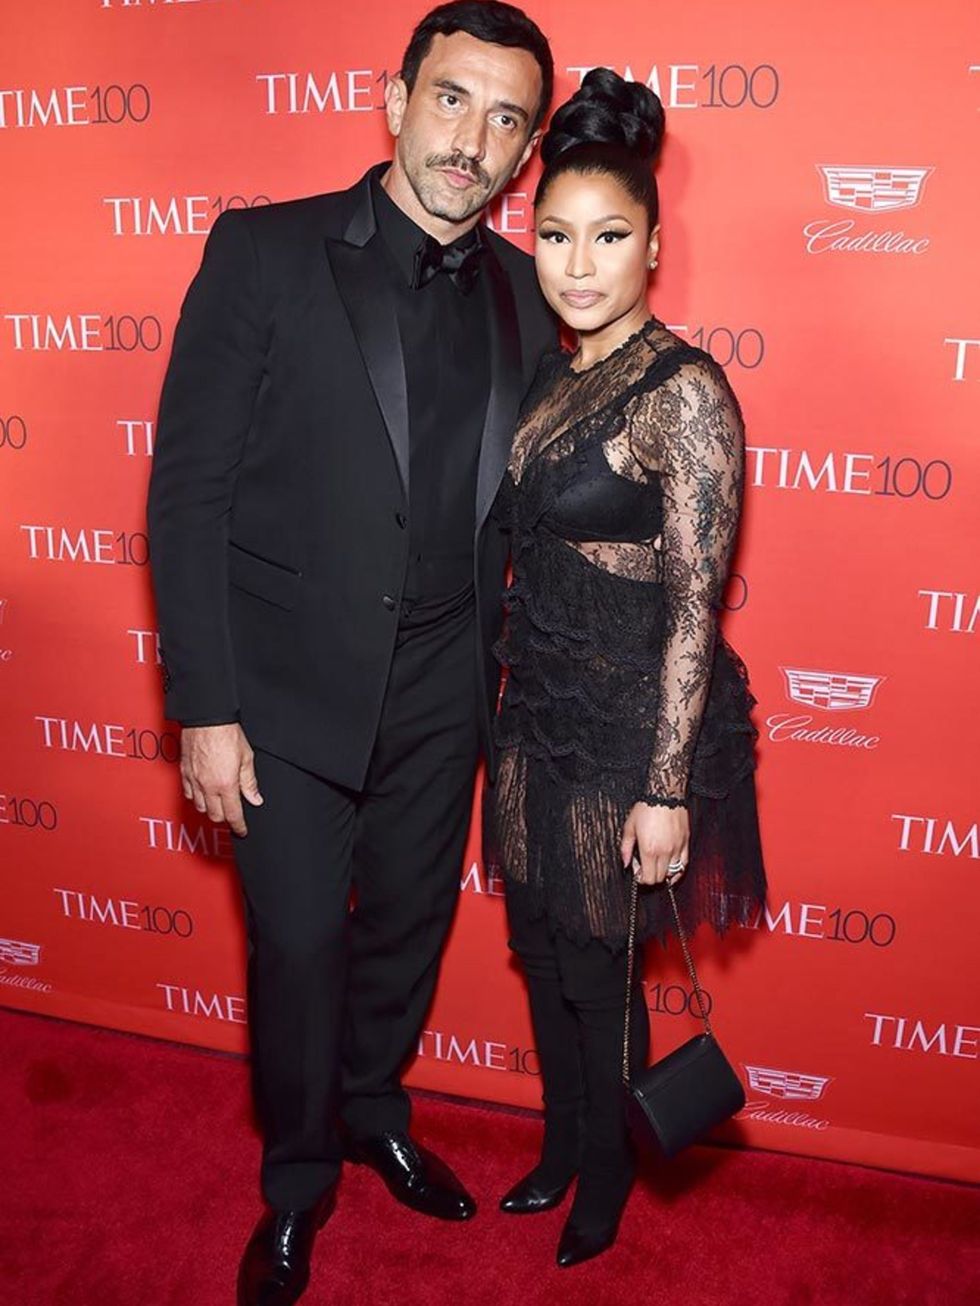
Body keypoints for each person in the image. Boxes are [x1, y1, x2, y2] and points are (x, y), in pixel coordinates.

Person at [146, 3, 555, 1302]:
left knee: (408, 930)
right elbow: (188, 494)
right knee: (300, 948)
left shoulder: (519, 292)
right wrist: (203, 707)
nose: (472, 138)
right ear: (393, 101)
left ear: (524, 150)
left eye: (506, 119)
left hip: (448, 683)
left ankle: (377, 1104)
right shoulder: (264, 254)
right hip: (280, 692)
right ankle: (296, 1178)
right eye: (452, 99)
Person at [483, 68, 769, 1268]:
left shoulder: (684, 391)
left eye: (607, 236)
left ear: (654, 244)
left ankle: (604, 1171)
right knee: (542, 949)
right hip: (531, 709)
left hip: (623, 728)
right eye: (553, 235)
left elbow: (695, 605)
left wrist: (664, 788)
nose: (577, 263)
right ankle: (558, 1145)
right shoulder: (550, 374)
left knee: (598, 965)